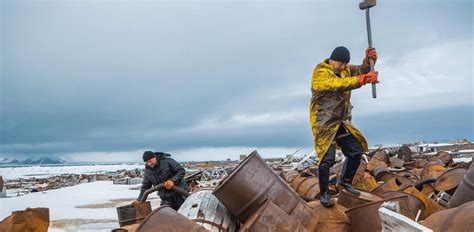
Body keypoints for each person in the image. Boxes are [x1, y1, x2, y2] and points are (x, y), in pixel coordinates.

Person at [309, 46, 378, 207]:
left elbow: (361, 70)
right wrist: (363, 79)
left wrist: (369, 61)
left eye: (345, 64)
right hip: (324, 123)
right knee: (327, 159)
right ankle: (324, 194)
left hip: (341, 122)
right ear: (332, 60)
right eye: (340, 63)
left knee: (356, 151)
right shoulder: (320, 72)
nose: (343, 67)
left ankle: (345, 182)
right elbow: (336, 84)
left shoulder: (345, 69)